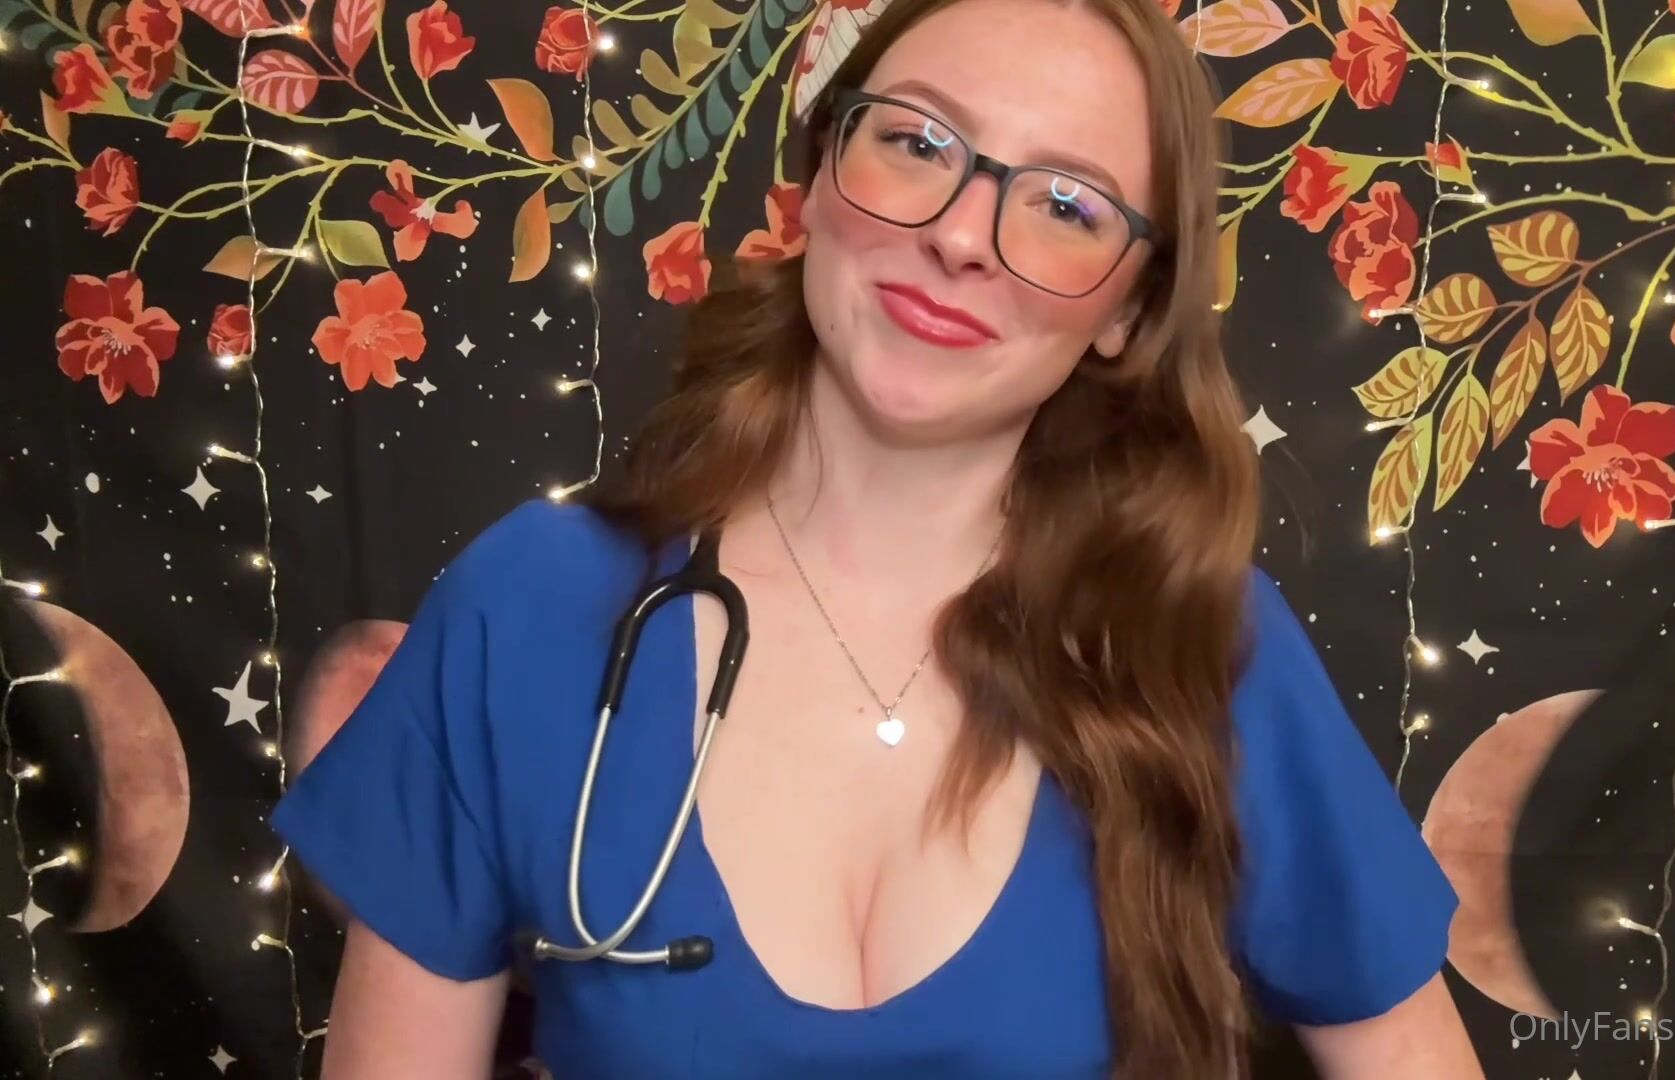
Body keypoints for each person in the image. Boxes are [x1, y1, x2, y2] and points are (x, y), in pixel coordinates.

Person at [270, 0, 1484, 1075]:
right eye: (918, 143)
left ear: (1127, 308)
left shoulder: (1203, 645)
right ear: (817, 181)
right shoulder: (527, 608)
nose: (961, 237)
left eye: (1066, 205)